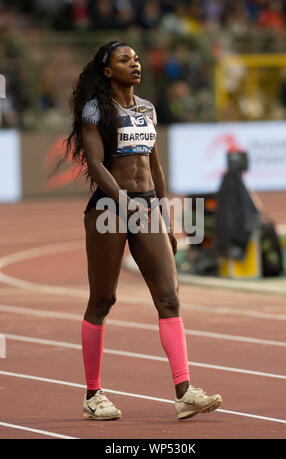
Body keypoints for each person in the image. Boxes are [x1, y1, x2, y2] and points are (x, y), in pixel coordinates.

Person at [63, 40, 222, 421]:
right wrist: (122, 200)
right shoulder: (95, 110)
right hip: (109, 209)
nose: (135, 64)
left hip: (148, 205)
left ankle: (184, 392)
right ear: (107, 71)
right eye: (124, 60)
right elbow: (96, 163)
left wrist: (165, 217)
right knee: (103, 300)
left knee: (169, 297)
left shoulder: (148, 108)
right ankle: (93, 394)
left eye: (136, 58)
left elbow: (155, 166)